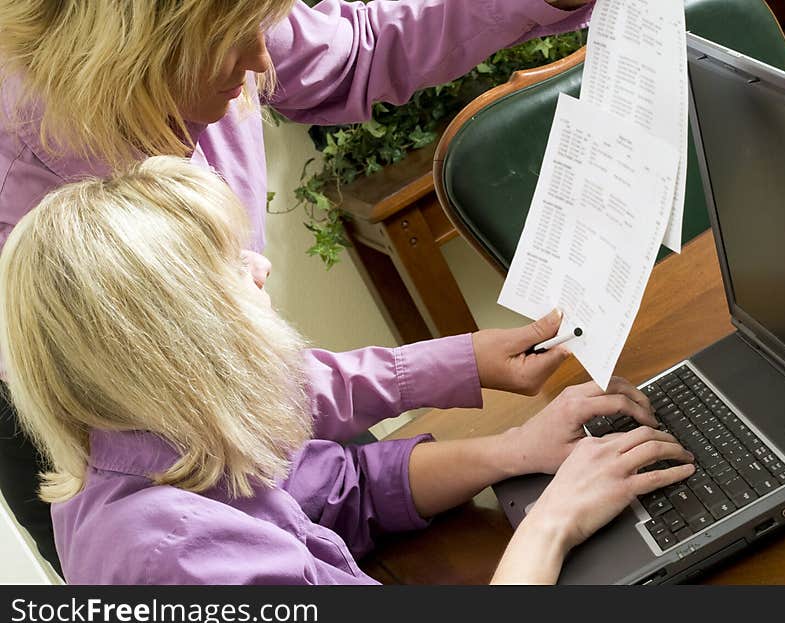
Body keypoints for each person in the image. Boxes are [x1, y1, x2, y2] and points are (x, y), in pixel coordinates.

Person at [0, 0, 597, 576]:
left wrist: (511, 446)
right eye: (231, 38)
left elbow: (330, 487)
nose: (265, 62)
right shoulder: (175, 543)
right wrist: (551, 523)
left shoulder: (198, 471)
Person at [0, 156, 694, 584]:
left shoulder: (150, 441)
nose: (261, 266)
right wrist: (553, 520)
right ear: (179, 339)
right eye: (233, 266)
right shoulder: (182, 556)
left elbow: (346, 487)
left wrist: (516, 450)